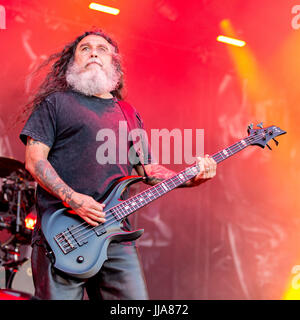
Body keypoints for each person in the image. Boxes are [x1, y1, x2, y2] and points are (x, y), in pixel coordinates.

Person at [19, 29, 217, 300]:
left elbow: (147, 171)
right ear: (72, 62)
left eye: (102, 49)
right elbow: (34, 160)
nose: (93, 53)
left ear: (114, 63)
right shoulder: (55, 104)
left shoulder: (127, 113)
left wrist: (191, 178)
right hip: (63, 232)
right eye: (85, 48)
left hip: (115, 237)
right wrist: (73, 199)